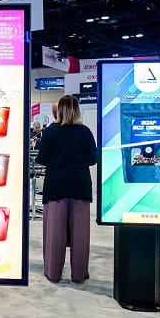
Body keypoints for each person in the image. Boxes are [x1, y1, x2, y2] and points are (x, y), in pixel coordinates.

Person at [35, 94, 97, 283]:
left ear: (58, 111)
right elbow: (92, 159)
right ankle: (79, 274)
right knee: (80, 234)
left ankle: (53, 272)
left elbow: (42, 159)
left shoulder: (52, 132)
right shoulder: (85, 131)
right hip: (80, 185)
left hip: (56, 186)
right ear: (77, 110)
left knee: (55, 232)